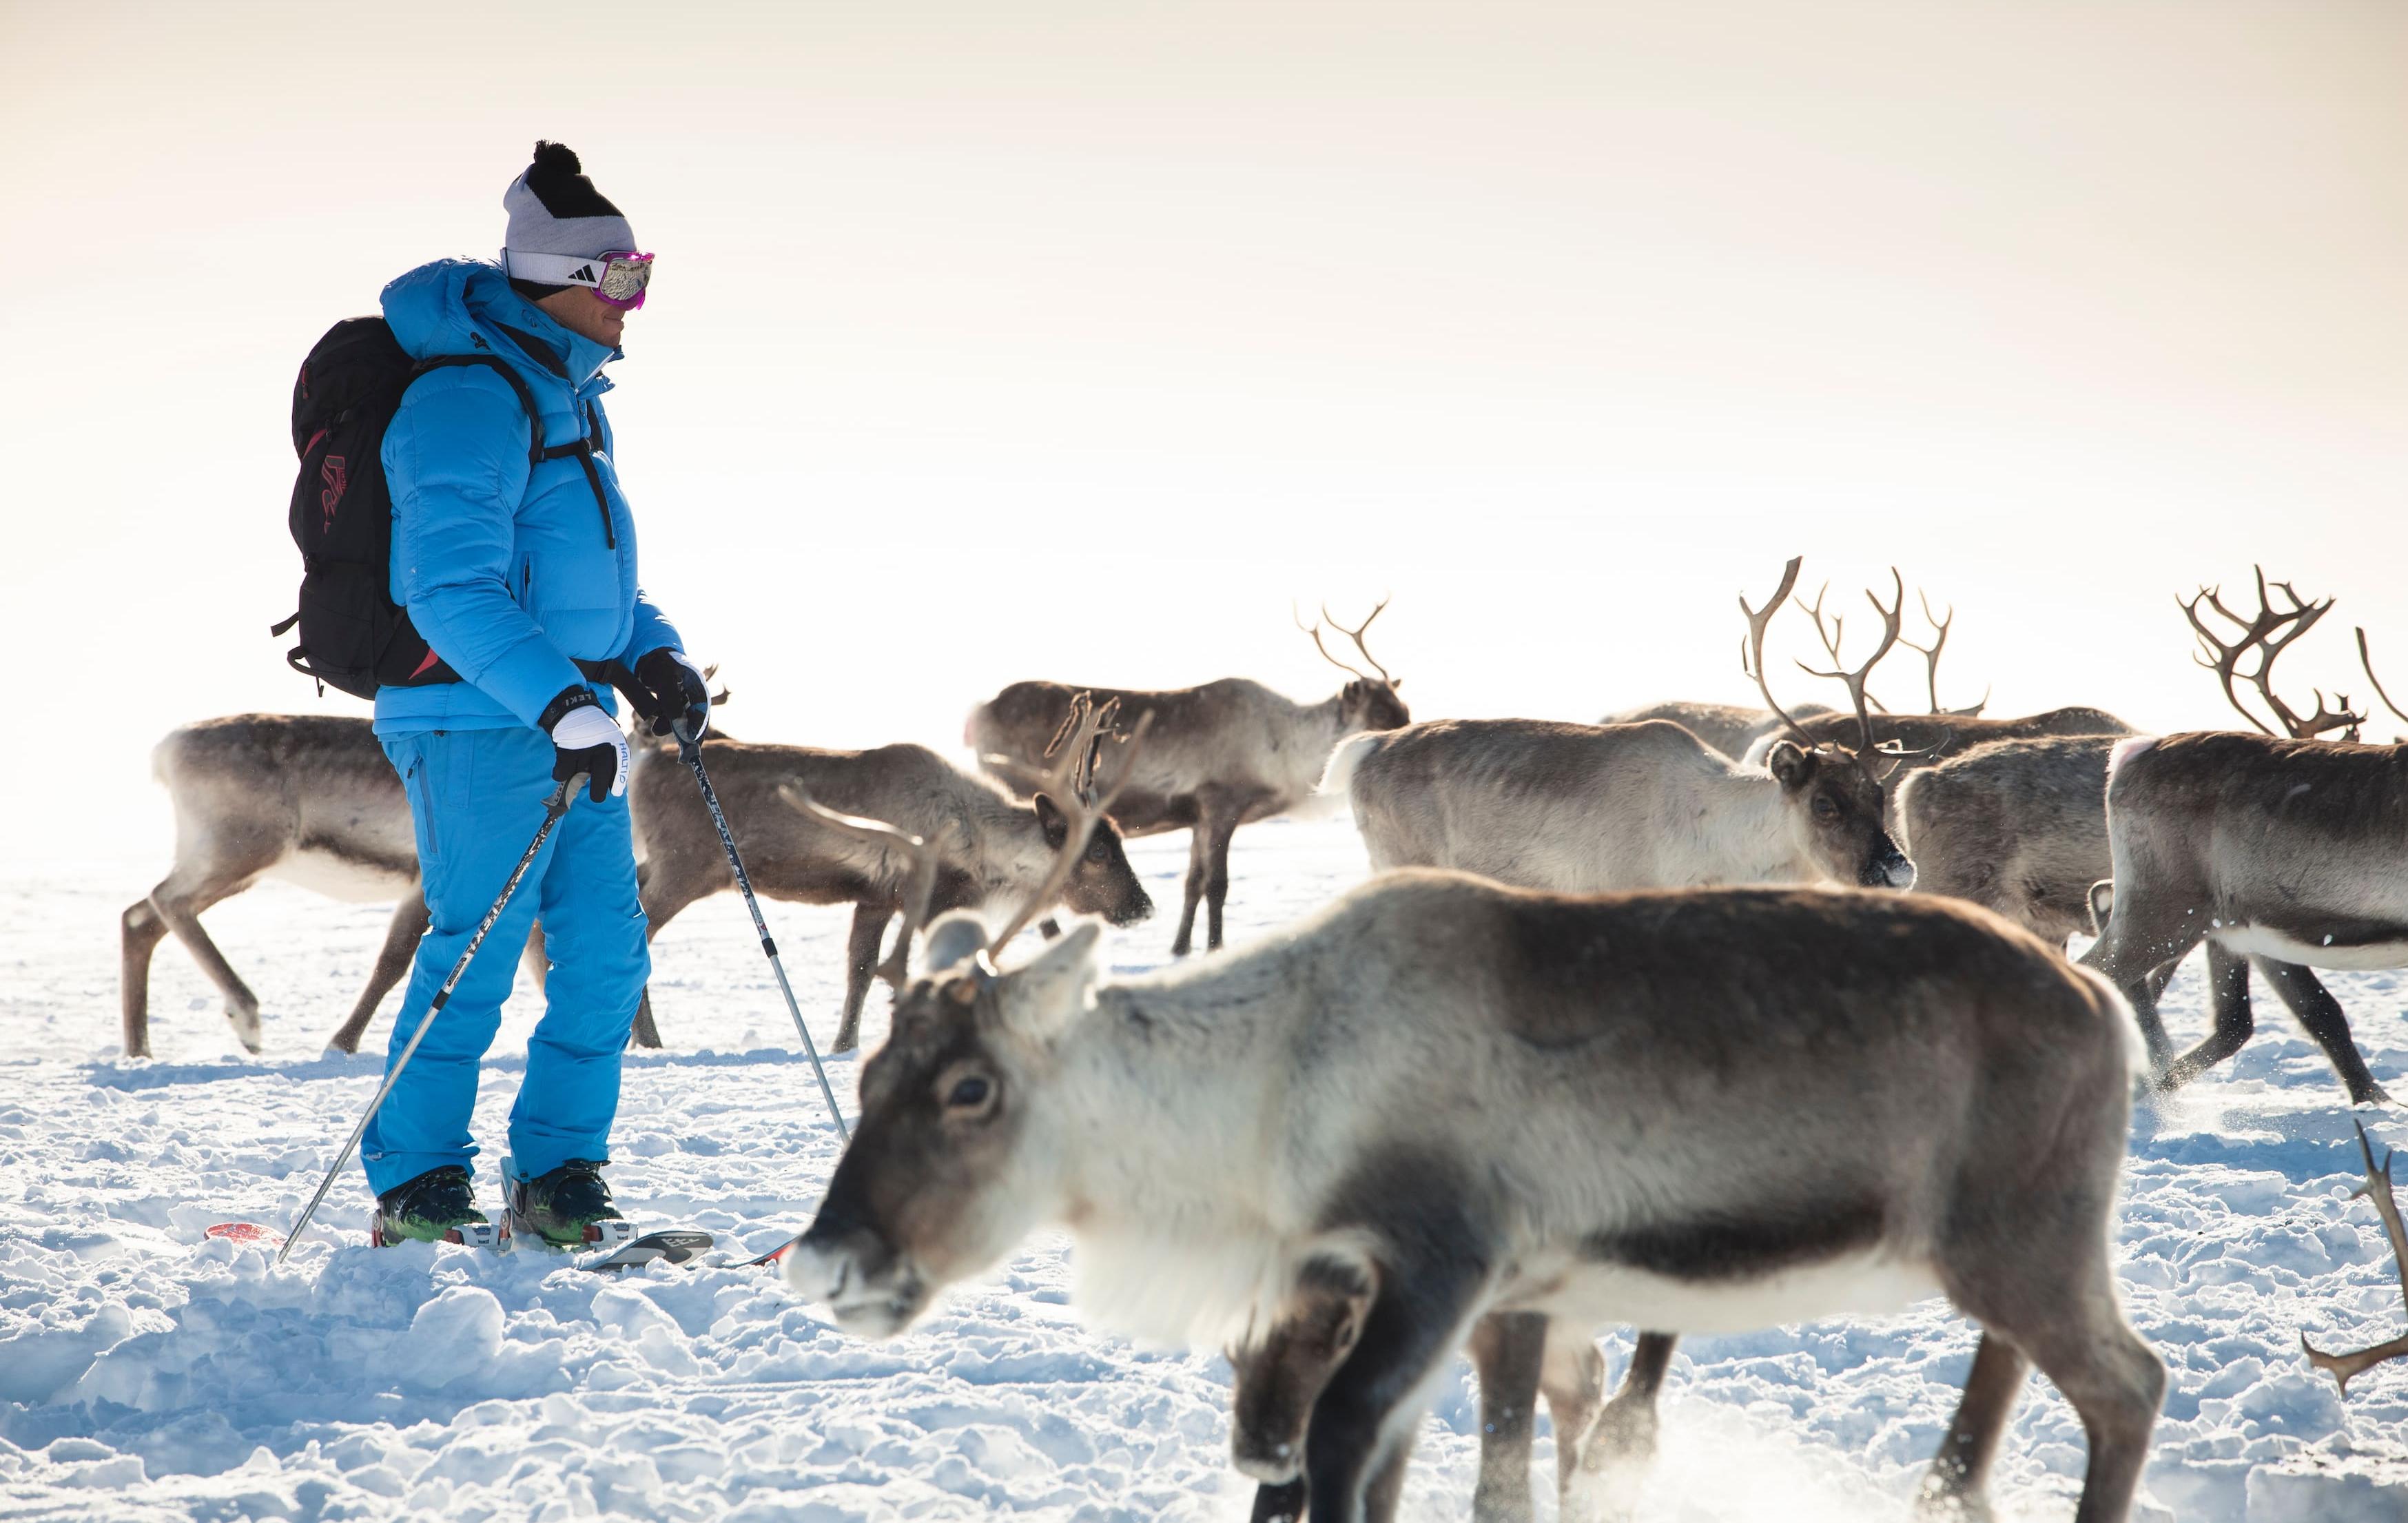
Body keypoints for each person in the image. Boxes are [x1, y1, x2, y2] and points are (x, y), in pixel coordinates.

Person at [363, 141, 711, 1247]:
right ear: (555, 278)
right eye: (620, 278)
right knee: (473, 952)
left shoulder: (570, 397)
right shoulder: (467, 395)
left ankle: (559, 1176)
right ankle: (417, 1188)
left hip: (575, 722)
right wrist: (562, 703)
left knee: (607, 955)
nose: (634, 303)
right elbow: (446, 589)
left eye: (640, 275)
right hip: (475, 718)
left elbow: (587, 583)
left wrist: (650, 653)